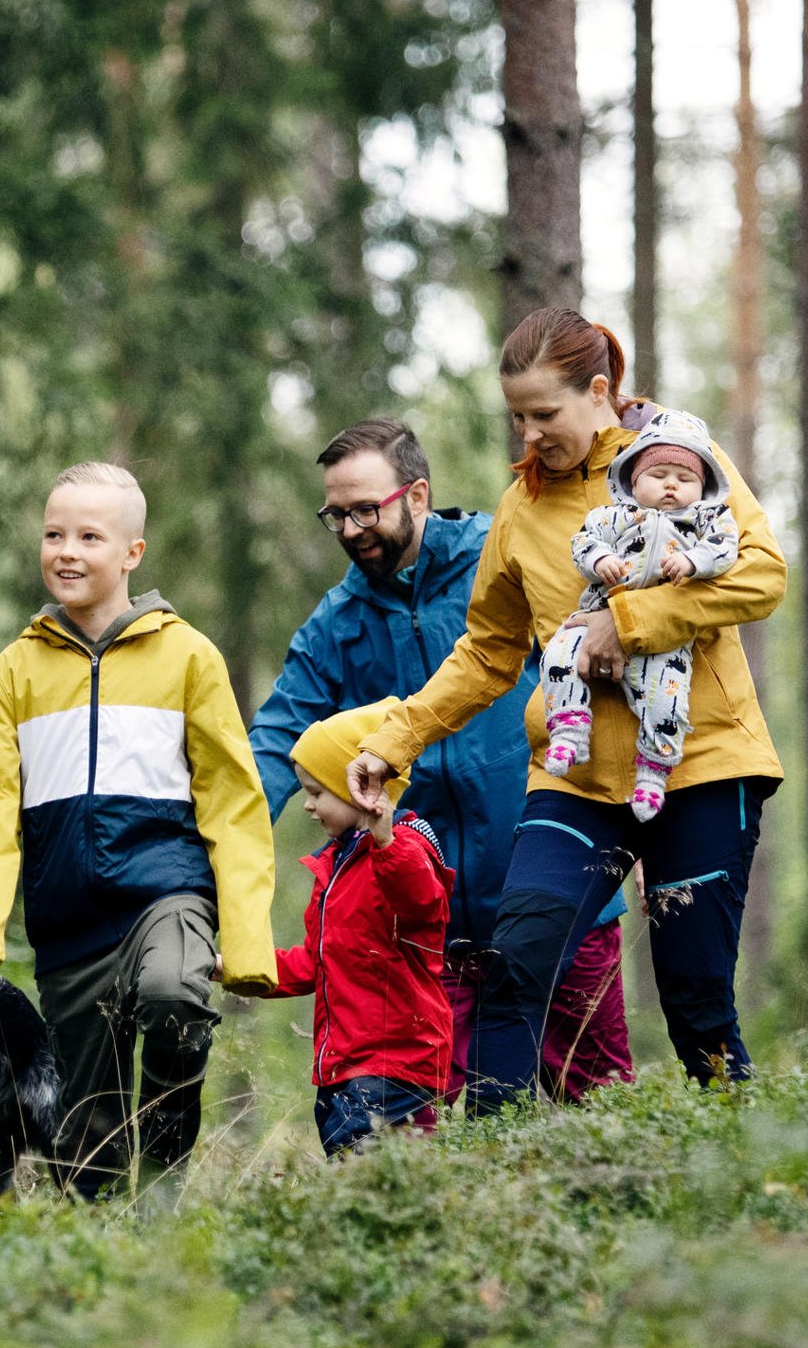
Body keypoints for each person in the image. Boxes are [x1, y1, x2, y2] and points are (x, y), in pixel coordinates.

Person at [347, 308, 784, 1111]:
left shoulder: (677, 462)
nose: (528, 431)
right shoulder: (522, 506)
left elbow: (762, 576)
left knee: (695, 1002)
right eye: (517, 414)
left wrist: (628, 622)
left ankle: (750, 1167)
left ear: (598, 391)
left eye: (544, 413)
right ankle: (498, 1173)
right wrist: (392, 742)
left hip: (700, 760)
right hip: (575, 775)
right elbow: (486, 652)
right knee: (516, 962)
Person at [249, 419, 632, 1105]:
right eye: (333, 513)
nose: (347, 529)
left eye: (364, 508)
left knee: (601, 1098)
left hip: (556, 885)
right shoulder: (337, 623)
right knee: (443, 1128)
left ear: (417, 495)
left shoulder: (502, 555)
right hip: (430, 927)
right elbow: (276, 740)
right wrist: (213, 847)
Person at [0, 461, 277, 1201]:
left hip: (166, 896)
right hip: (68, 929)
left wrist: (246, 938)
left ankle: (162, 1178)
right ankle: (107, 1252)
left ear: (131, 554)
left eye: (90, 535)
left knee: (174, 998)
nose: (67, 550)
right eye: (54, 533)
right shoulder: (14, 673)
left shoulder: (187, 656)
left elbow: (232, 800)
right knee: (86, 1147)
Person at [261, 699, 455, 1157]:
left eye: (316, 791)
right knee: (359, 1184)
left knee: (368, 1184)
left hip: (396, 1067)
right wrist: (239, 967)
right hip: (341, 1069)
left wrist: (384, 838)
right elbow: (313, 962)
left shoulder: (404, 847)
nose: (307, 805)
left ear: (357, 787)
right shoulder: (334, 867)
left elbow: (425, 905)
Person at [540, 407, 740, 821]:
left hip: (663, 640)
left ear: (702, 488)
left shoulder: (702, 520)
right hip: (596, 614)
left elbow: (725, 546)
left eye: (685, 479)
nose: (671, 486)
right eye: (658, 475)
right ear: (633, 479)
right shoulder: (612, 517)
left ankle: (654, 770)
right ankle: (568, 726)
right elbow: (582, 542)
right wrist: (599, 560)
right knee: (558, 654)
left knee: (667, 698)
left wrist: (694, 562)